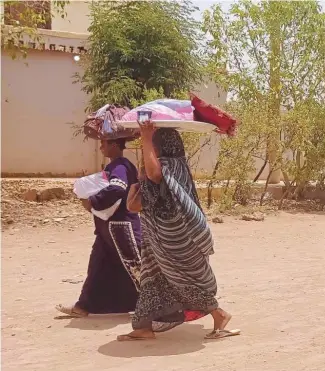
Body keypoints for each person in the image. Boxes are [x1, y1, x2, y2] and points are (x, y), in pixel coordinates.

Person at [117, 121, 239, 341]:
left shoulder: (170, 165)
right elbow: (150, 183)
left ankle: (219, 314)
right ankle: (143, 327)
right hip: (162, 236)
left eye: (155, 143)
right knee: (152, 277)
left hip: (176, 236)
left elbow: (155, 176)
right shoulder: (175, 164)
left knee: (182, 277)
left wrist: (146, 139)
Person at [56, 139, 141, 317]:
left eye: (104, 144)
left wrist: (92, 201)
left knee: (136, 266)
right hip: (108, 227)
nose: (101, 147)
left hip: (121, 227)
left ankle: (156, 308)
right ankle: (84, 306)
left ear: (115, 145)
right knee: (98, 265)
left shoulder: (120, 166)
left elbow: (118, 188)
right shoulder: (117, 166)